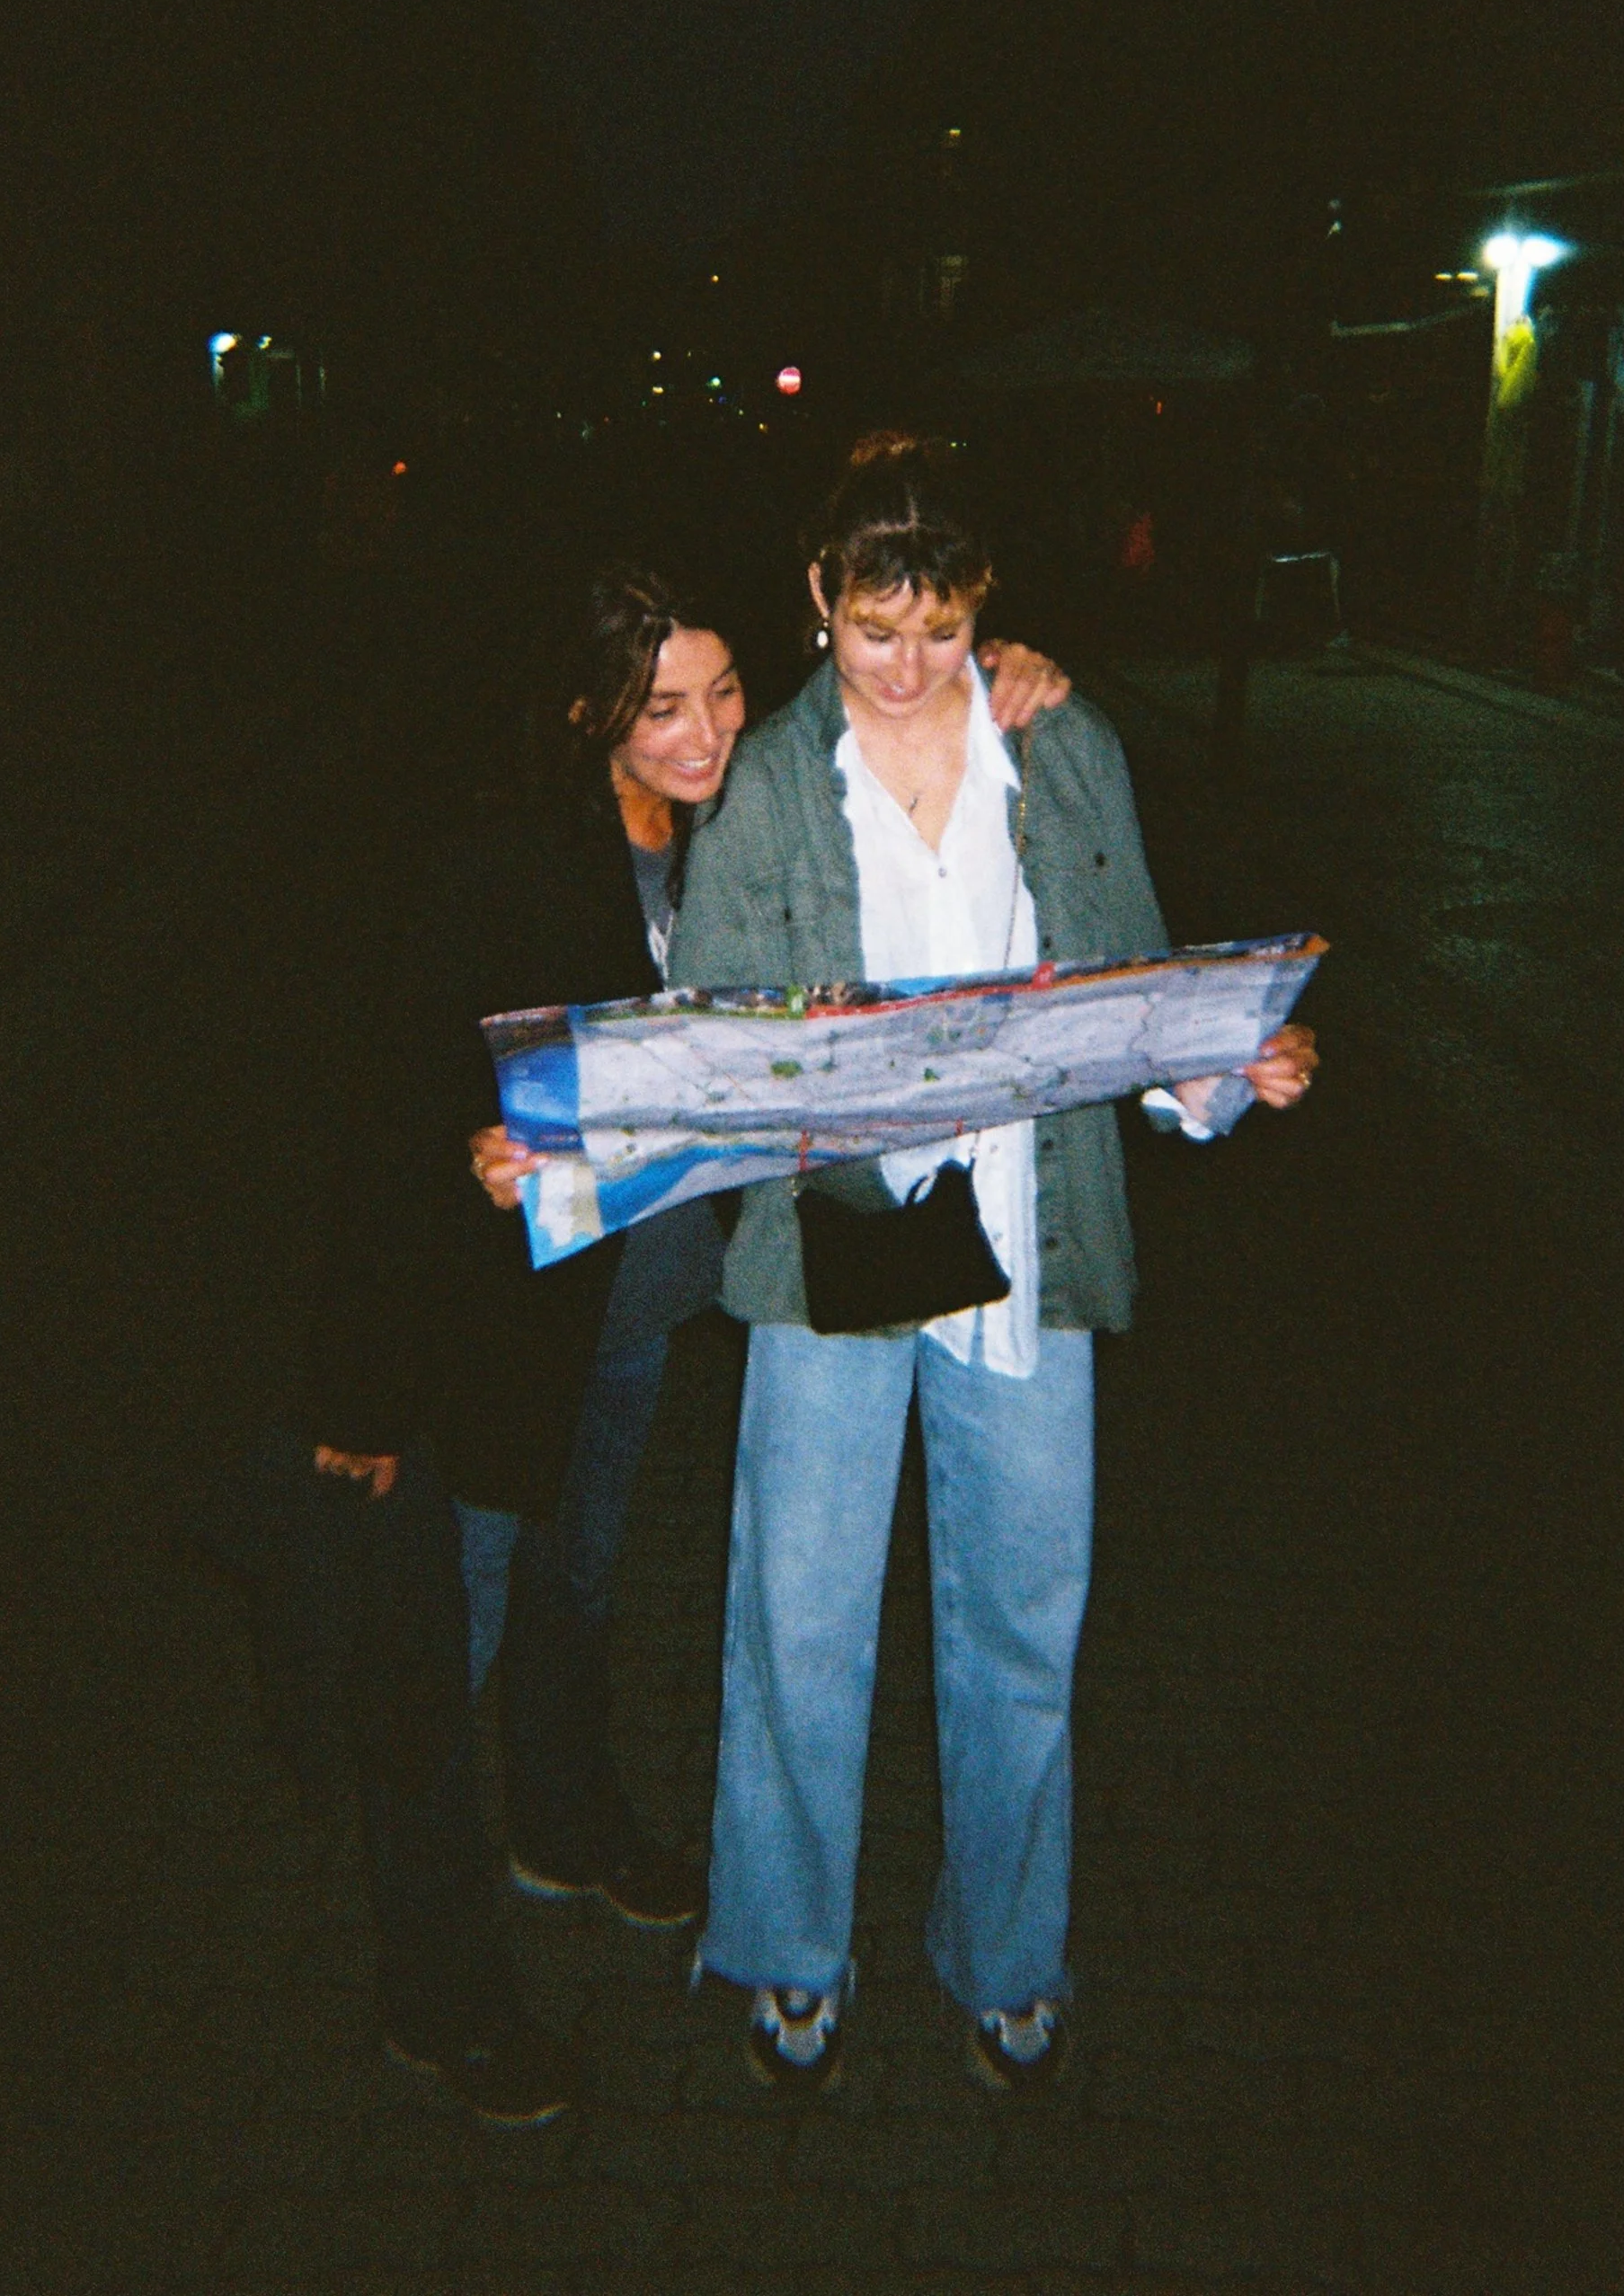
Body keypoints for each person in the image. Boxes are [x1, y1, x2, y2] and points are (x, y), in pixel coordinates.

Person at [300, 556, 1073, 2126]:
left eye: (723, 694)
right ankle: (439, 1993)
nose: (705, 731)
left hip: (632, 1313)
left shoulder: (737, 831)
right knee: (451, 1640)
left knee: (581, 1589)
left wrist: (1018, 673)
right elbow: (398, 1112)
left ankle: (566, 1823)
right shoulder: (507, 859)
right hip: (494, 1332)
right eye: (662, 707)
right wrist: (364, 1382)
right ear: (590, 713)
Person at [667, 433, 1316, 2097]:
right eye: (875, 632)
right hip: (833, 1254)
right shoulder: (766, 780)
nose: (907, 669)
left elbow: (1136, 984)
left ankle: (1008, 1955)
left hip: (1028, 1245)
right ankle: (793, 1949)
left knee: (1025, 1625)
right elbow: (711, 1032)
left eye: (941, 630)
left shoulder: (1066, 743)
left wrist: (1223, 1068)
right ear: (820, 603)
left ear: (982, 609)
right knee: (796, 1620)